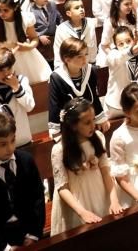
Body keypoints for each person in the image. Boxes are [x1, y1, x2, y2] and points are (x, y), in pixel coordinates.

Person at [0, 113, 45, 251]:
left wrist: (34, 235)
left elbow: (38, 198)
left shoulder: (26, 161)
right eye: (3, 144)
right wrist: (5, 247)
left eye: (13, 140)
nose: (10, 148)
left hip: (29, 233)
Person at [50, 98, 122, 235]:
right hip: (77, 203)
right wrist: (82, 212)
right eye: (87, 122)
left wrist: (114, 200)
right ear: (73, 125)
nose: (93, 125)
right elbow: (62, 187)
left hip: (100, 194)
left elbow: (106, 172)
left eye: (94, 120)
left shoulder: (99, 138)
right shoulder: (59, 150)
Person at [0, 0, 52, 84]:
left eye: (6, 10)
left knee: (37, 82)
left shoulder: (26, 18)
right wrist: (6, 54)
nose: (1, 13)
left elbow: (34, 38)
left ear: (15, 8)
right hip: (5, 60)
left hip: (26, 54)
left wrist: (29, 47)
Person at [48, 37, 108, 139]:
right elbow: (54, 105)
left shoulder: (91, 71)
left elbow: (94, 95)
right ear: (67, 59)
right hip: (69, 125)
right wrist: (55, 130)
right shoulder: (56, 77)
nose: (85, 59)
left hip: (89, 121)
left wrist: (100, 119)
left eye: (86, 54)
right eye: (80, 56)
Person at [102, 25, 138, 119]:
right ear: (116, 46)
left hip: (136, 103)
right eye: (121, 44)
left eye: (128, 41)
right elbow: (117, 59)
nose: (125, 46)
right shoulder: (113, 55)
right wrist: (131, 52)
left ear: (134, 40)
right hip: (116, 107)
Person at [54, 0, 99, 68]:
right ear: (69, 13)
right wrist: (59, 67)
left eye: (82, 7)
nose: (81, 9)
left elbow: (93, 47)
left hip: (88, 65)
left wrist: (93, 63)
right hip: (71, 66)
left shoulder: (90, 23)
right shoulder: (61, 29)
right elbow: (58, 50)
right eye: (77, 8)